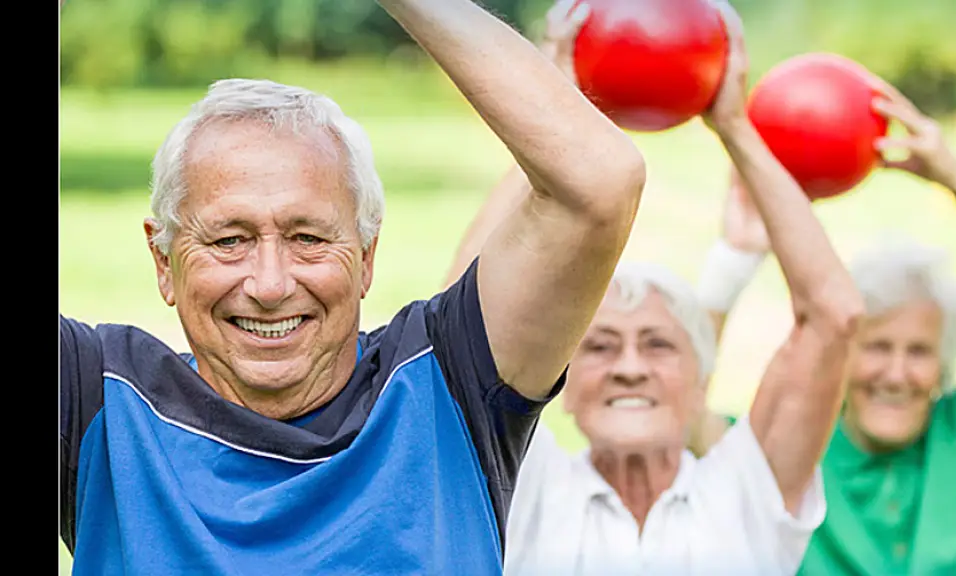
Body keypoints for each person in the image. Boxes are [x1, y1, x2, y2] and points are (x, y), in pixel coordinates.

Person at [58, 0, 648, 573]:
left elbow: (599, 181)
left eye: (308, 238)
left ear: (366, 256)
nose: (269, 284)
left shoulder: (445, 385)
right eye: (228, 240)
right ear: (163, 260)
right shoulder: (98, 402)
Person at [444, 2, 865, 573]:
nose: (629, 366)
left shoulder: (745, 494)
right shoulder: (523, 487)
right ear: (560, 385)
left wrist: (735, 127)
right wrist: (557, 112)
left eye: (659, 344)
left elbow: (833, 317)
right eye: (598, 346)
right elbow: (460, 323)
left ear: (702, 384)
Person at [696, 81, 956, 575]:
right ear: (841, 353)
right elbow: (679, 408)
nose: (894, 373)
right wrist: (734, 261)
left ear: (945, 362)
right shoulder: (788, 448)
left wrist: (955, 176)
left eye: (918, 352)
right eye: (876, 347)